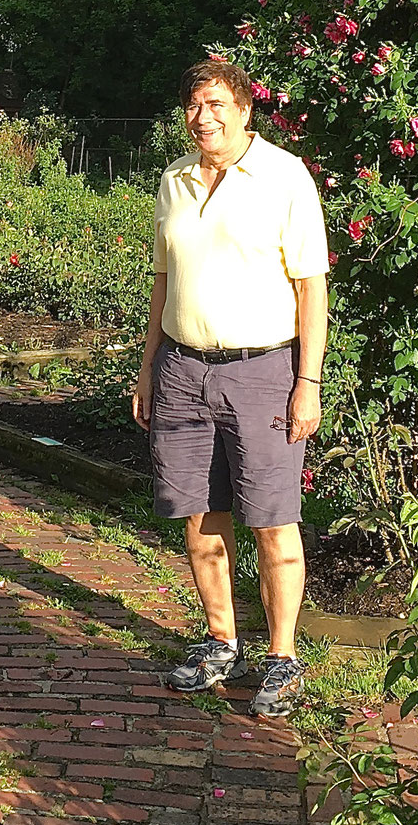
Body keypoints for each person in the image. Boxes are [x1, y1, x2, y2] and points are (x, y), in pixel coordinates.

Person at [133, 59, 329, 718]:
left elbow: (311, 289)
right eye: (193, 105)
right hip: (183, 372)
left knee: (273, 521)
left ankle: (282, 658)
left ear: (246, 109)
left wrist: (309, 382)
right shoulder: (175, 182)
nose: (203, 116)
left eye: (216, 103)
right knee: (199, 517)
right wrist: (148, 369)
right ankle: (222, 643)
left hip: (263, 371)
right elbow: (163, 279)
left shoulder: (283, 178)